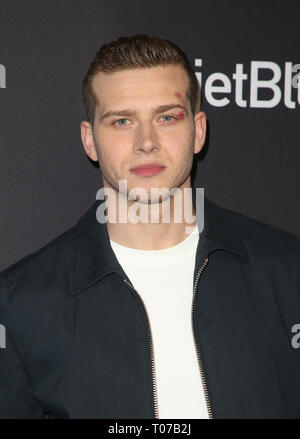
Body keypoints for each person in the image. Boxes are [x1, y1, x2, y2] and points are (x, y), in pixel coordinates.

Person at [0, 34, 300, 419]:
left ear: (199, 131)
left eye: (167, 117)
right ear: (90, 141)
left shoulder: (286, 270)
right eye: (122, 121)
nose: (147, 142)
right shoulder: (22, 303)